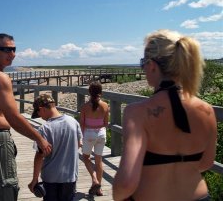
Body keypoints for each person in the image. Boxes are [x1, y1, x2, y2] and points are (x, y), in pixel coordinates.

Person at [113, 29, 217, 201]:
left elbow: (126, 183)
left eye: (143, 63)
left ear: (152, 65)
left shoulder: (137, 112)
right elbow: (206, 163)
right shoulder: (207, 110)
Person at [0, 33, 52, 201]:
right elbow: (13, 117)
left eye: (14, 49)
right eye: (6, 49)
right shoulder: (0, 77)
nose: (12, 54)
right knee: (6, 190)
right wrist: (39, 138)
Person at [28, 94, 83, 201]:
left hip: (50, 178)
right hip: (69, 177)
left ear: (41, 109)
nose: (41, 117)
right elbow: (79, 144)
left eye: (38, 114)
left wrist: (34, 179)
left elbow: (39, 156)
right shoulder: (73, 122)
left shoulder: (45, 128)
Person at [79, 81, 109, 196]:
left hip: (89, 134)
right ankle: (99, 189)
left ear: (89, 92)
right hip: (101, 133)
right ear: (101, 92)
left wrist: (81, 138)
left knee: (85, 157)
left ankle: (94, 179)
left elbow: (81, 124)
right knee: (99, 160)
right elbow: (106, 123)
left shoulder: (85, 107)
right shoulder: (105, 105)